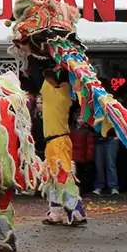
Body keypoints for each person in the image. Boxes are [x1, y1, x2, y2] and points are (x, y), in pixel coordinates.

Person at [39, 74, 87, 225]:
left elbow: (43, 78)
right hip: (54, 141)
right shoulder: (63, 93)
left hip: (59, 141)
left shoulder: (58, 93)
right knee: (53, 178)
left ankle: (77, 212)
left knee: (64, 178)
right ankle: (56, 213)